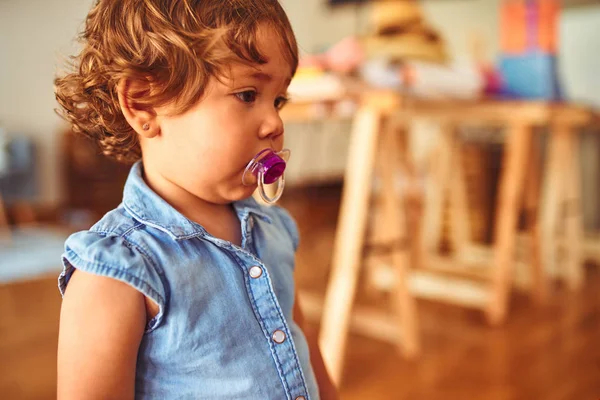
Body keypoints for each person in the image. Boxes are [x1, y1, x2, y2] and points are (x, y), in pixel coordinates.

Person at [54, 1, 338, 399]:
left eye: (278, 100)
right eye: (246, 94)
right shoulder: (117, 271)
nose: (275, 123)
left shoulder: (272, 229)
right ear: (144, 102)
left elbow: (297, 333)